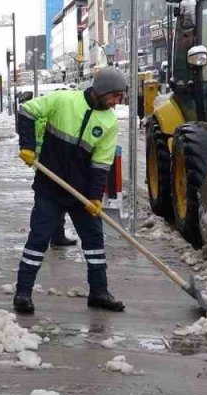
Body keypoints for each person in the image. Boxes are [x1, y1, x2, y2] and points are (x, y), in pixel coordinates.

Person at [13, 67, 126, 315]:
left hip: (82, 193)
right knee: (39, 239)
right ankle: (23, 293)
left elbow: (101, 163)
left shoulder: (109, 122)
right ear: (102, 90)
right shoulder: (64, 100)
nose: (118, 102)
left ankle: (99, 292)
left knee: (95, 243)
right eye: (116, 95)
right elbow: (27, 111)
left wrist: (95, 197)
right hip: (49, 188)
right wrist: (28, 146)